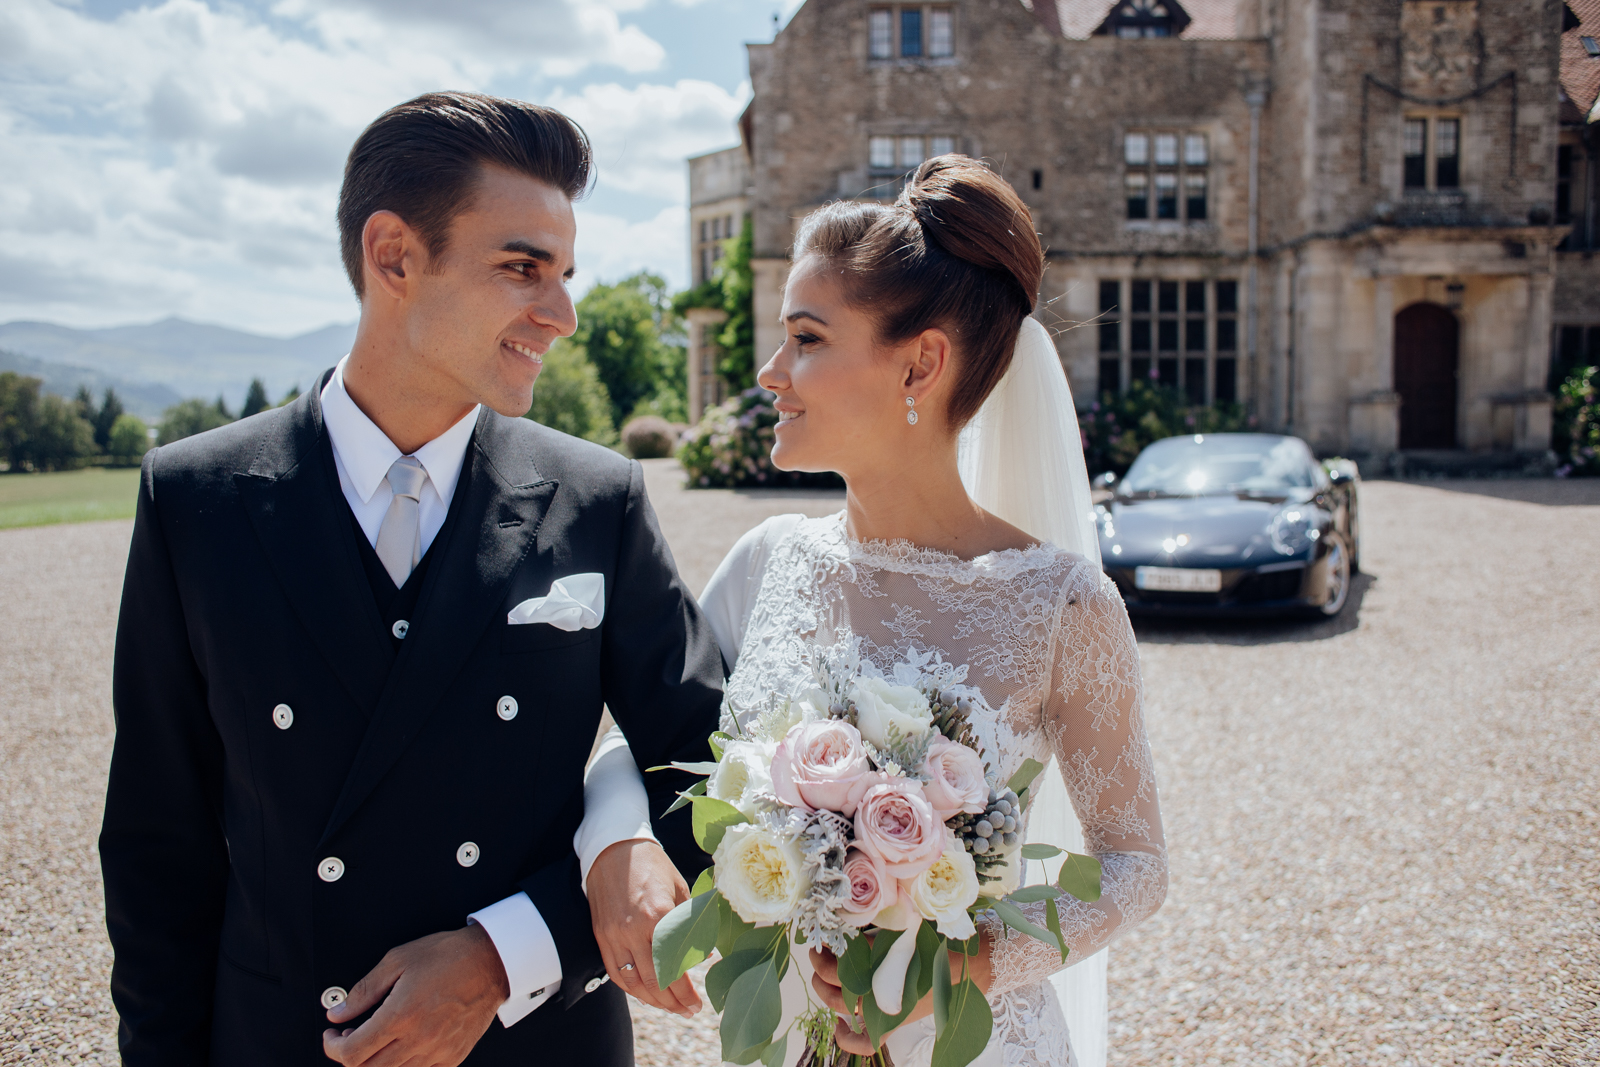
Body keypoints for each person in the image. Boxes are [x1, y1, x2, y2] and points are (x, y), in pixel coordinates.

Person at [99, 91, 718, 1067]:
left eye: (563, 274)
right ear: (393, 255)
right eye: (522, 268)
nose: (559, 314)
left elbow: (716, 770)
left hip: (537, 1045)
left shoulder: (598, 497)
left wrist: (508, 949)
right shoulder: (197, 498)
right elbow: (155, 844)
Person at [593, 156, 1169, 1067]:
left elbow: (1135, 862)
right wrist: (617, 844)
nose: (770, 371)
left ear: (921, 363)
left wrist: (969, 961)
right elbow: (645, 734)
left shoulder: (1060, 603)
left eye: (808, 338)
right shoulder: (769, 559)